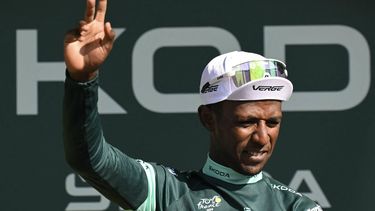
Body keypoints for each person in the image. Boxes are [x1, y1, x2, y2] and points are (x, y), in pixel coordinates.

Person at [63, 0, 323, 210]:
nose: (262, 137)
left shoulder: (296, 207)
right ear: (208, 118)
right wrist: (82, 80)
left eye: (273, 122)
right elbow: (89, 159)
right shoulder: (167, 192)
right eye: (247, 122)